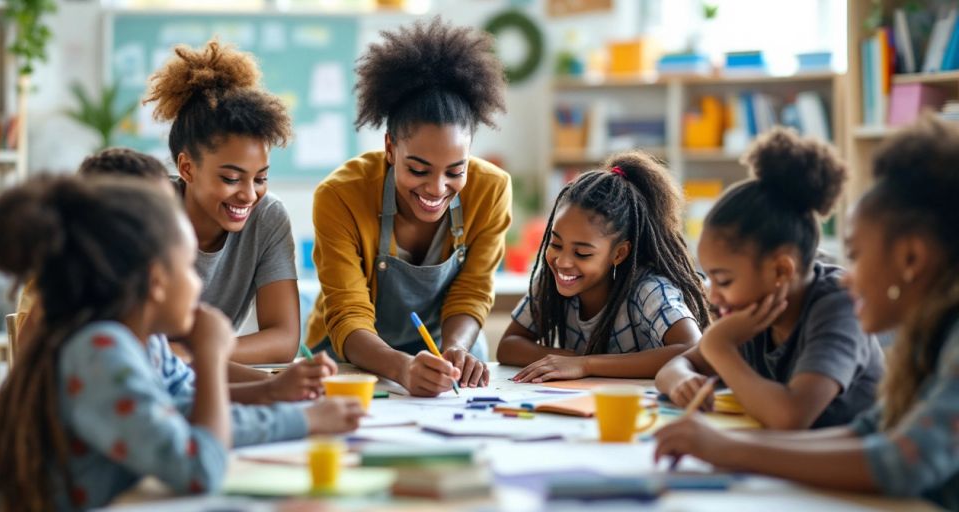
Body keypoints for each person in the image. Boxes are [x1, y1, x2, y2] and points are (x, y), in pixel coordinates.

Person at [0, 177, 362, 510]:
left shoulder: (118, 342)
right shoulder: (99, 351)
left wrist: (302, 419)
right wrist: (209, 357)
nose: (198, 285)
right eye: (189, 269)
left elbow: (183, 417)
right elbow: (198, 469)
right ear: (157, 280)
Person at [654, 116, 959, 509]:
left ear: (911, 258)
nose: (848, 277)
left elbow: (902, 462)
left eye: (856, 255)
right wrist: (726, 445)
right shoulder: (928, 339)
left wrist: (732, 451)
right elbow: (871, 432)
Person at [305, 18, 511, 396]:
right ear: (389, 148)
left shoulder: (491, 190)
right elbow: (349, 312)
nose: (436, 188)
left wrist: (457, 350)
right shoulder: (340, 195)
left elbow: (472, 290)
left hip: (441, 356)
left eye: (455, 171)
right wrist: (400, 367)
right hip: (348, 361)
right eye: (418, 169)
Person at [655, 127, 883, 429]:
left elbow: (790, 417)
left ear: (780, 271)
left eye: (723, 281)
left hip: (849, 467)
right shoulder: (752, 313)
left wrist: (719, 348)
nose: (713, 296)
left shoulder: (838, 306)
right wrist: (682, 380)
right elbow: (670, 369)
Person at [144, 39, 301, 365]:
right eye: (231, 178)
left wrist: (193, 355)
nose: (248, 195)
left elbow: (284, 339)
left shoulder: (267, 218)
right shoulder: (149, 212)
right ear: (187, 168)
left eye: (260, 178)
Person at [498, 152, 710, 382]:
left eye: (582, 253)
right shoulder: (551, 280)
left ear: (619, 253)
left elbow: (692, 349)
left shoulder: (648, 289)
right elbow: (508, 346)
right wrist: (572, 359)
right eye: (556, 243)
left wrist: (586, 364)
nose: (563, 262)